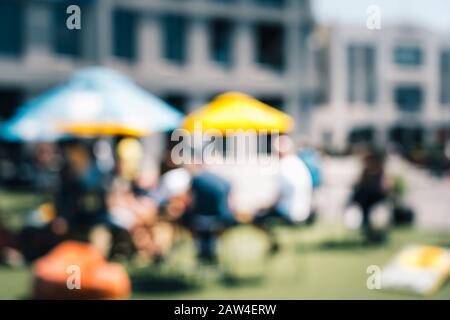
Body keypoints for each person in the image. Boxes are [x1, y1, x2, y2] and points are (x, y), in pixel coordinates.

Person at [182, 160, 235, 262]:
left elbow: (191, 201)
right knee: (208, 231)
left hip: (203, 217)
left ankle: (204, 253)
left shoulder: (197, 180)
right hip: (223, 216)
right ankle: (209, 253)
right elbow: (230, 200)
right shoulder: (222, 179)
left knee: (192, 222)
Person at [255, 135, 313, 225]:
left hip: (289, 213)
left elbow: (278, 196)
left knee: (258, 216)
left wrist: (263, 207)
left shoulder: (284, 165)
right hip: (303, 212)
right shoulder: (298, 162)